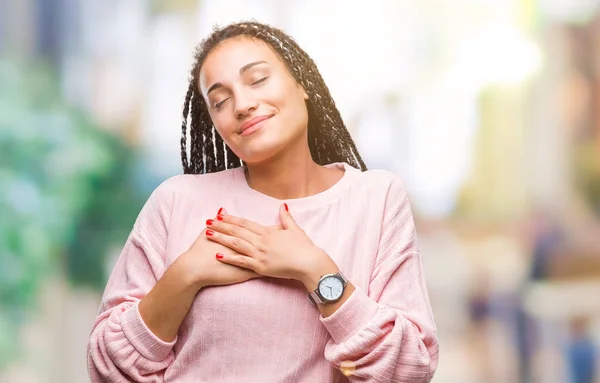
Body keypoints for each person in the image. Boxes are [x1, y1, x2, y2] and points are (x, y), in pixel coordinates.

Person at [87, 20, 439, 382]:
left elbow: (408, 369)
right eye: (220, 101)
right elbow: (109, 366)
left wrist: (316, 271)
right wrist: (185, 274)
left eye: (257, 80)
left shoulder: (376, 199)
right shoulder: (175, 201)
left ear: (302, 83)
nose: (242, 104)